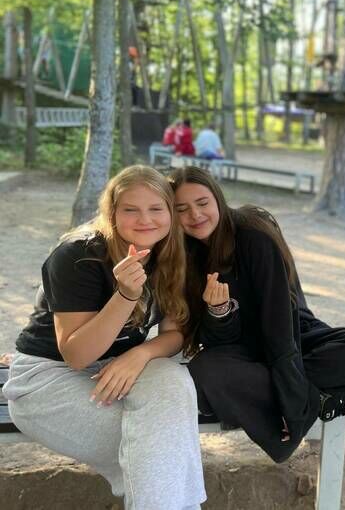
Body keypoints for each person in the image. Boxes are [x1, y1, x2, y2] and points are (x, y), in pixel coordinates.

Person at [2, 165, 206, 509]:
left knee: (171, 380)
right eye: (131, 209)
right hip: (47, 380)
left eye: (156, 208)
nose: (145, 220)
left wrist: (140, 354)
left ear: (171, 212)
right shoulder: (78, 255)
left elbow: (175, 334)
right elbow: (77, 356)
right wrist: (125, 295)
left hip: (118, 368)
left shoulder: (172, 254)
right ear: (112, 213)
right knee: (163, 445)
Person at [168, 166, 345, 463]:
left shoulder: (253, 234)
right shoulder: (181, 257)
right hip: (242, 352)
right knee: (205, 370)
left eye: (202, 203)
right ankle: (323, 400)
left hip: (292, 335)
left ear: (218, 199)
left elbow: (280, 325)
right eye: (182, 209)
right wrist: (219, 312)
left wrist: (292, 403)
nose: (195, 215)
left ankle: (299, 400)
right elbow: (213, 342)